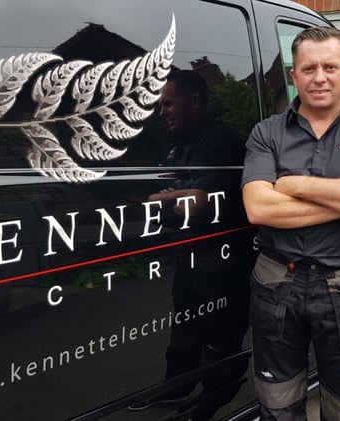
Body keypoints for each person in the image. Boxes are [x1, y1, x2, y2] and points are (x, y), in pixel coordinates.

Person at [240, 26, 340, 421]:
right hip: (277, 282)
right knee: (277, 404)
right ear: (293, 76)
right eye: (308, 68)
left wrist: (294, 184)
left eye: (330, 66)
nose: (319, 77)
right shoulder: (267, 133)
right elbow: (259, 208)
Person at [127, 69, 252, 420]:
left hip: (222, 261)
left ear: (195, 101)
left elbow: (196, 205)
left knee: (218, 336)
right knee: (183, 329)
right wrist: (176, 194)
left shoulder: (221, 141)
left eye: (168, 104)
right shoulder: (179, 143)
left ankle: (213, 403)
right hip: (190, 257)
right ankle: (174, 392)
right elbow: (151, 196)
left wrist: (177, 194)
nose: (161, 112)